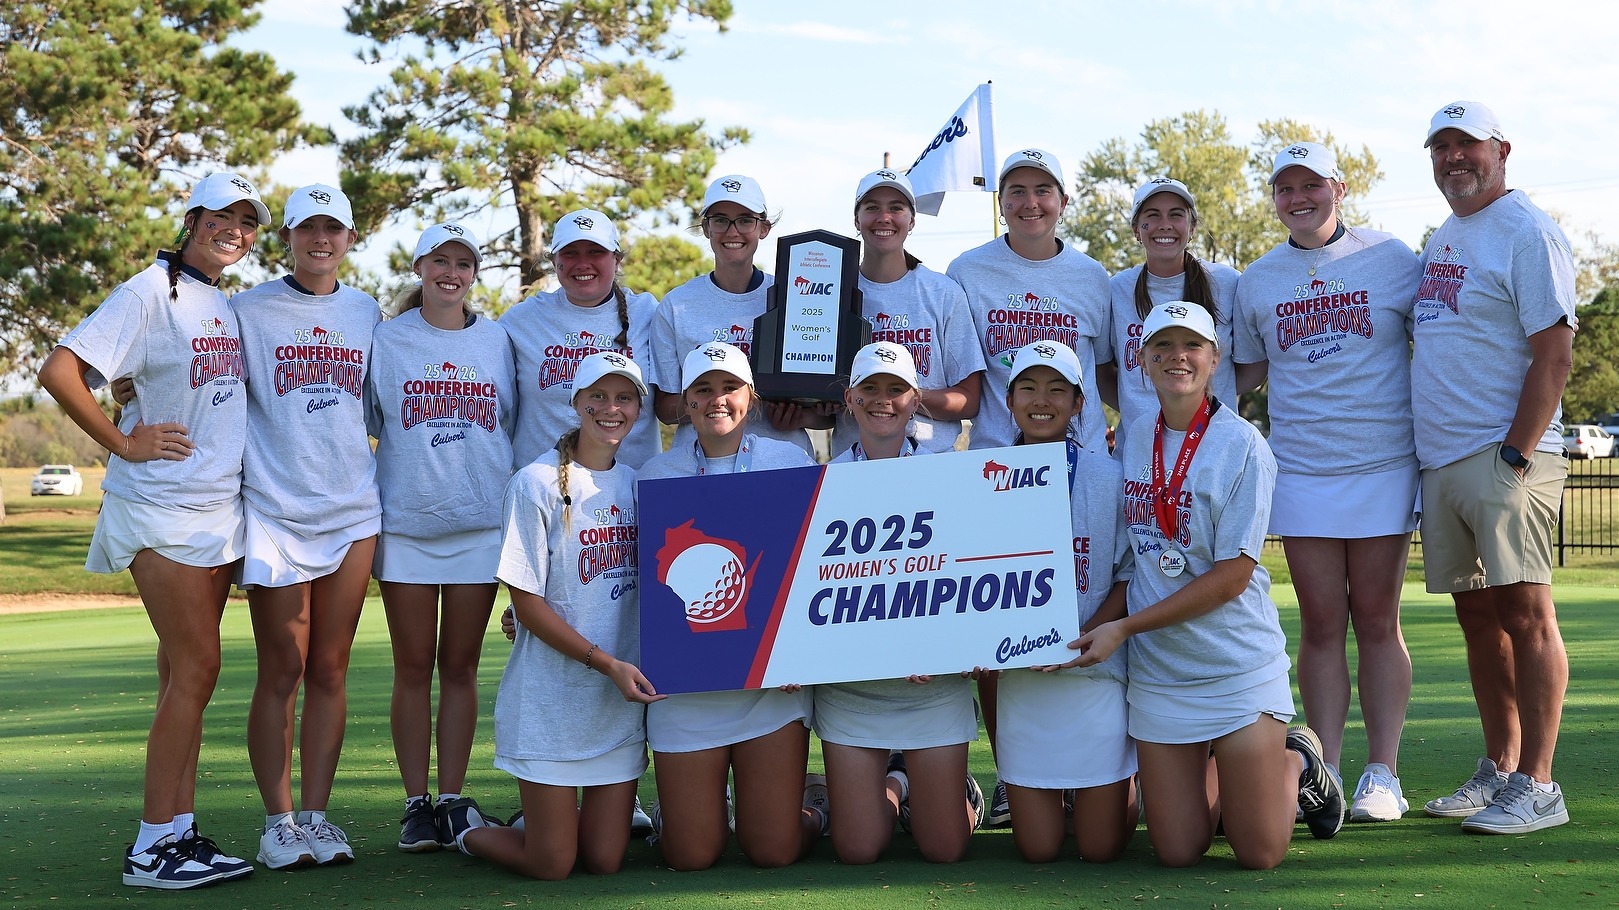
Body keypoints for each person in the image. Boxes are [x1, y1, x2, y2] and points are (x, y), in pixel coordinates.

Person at [38, 172, 270, 889]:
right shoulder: (148, 288)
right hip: (158, 507)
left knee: (181, 675)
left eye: (246, 220)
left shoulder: (220, 301)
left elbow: (163, 378)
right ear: (192, 217)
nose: (233, 228)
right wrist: (123, 441)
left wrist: (128, 385)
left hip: (212, 514)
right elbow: (60, 369)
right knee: (199, 668)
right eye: (221, 216)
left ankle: (179, 832)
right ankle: (148, 849)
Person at [1074, 301, 1344, 869]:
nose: (1178, 357)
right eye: (1163, 347)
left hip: (1234, 667)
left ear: (1215, 359)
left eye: (1192, 346)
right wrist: (1081, 629)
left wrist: (1123, 627)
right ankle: (1237, 770)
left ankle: (1297, 760)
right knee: (1177, 850)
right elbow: (1135, 561)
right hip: (1161, 675)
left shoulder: (1243, 444)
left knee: (1259, 853)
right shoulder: (1130, 439)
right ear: (1142, 361)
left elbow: (1230, 578)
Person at [1232, 142, 1423, 823]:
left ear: (1337, 187)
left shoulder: (1392, 257)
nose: (1297, 198)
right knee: (1318, 623)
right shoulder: (1255, 280)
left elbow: (1441, 340)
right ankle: (1327, 774)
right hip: (1302, 469)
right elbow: (1241, 375)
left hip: (1381, 462)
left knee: (1375, 619)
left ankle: (1383, 773)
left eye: (1309, 184)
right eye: (1284, 189)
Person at [1412, 101, 1576, 835]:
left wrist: (1514, 452)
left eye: (1465, 144)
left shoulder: (1526, 231)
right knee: (1477, 619)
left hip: (1504, 455)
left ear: (1500, 150)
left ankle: (1539, 786)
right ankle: (1500, 769)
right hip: (1445, 458)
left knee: (1524, 614)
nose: (1453, 157)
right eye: (1440, 145)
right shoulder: (1447, 232)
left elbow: (1555, 354)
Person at [447, 352, 663, 878]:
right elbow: (527, 604)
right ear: (576, 402)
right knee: (553, 863)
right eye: (598, 396)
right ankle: (467, 831)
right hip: (552, 702)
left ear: (638, 408)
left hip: (616, 707)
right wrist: (607, 663)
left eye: (625, 397)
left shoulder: (641, 485)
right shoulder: (535, 483)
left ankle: (554, 822)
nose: (611, 408)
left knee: (606, 860)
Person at [947, 147, 1111, 827]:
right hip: (998, 471)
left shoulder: (1094, 276)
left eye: (1043, 190)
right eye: (1016, 190)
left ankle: (1095, 767)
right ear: (1001, 201)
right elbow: (960, 373)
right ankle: (1013, 775)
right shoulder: (966, 271)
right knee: (997, 637)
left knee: (1087, 613)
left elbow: (1110, 377)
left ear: (1063, 202)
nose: (1029, 202)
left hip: (1082, 470)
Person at [230, 184, 382, 870]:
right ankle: (279, 822)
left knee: (329, 668)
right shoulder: (247, 310)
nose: (321, 240)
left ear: (350, 238)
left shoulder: (367, 311)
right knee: (282, 669)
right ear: (287, 236)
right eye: (307, 229)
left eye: (334, 229)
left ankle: (318, 818)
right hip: (276, 511)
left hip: (352, 509)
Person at [635, 342, 825, 870]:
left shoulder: (789, 460)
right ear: (685, 403)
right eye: (703, 389)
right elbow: (634, 578)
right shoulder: (655, 475)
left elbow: (810, 569)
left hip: (769, 686)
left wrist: (801, 656)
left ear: (752, 398)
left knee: (774, 850)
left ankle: (815, 811)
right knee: (690, 855)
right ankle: (695, 810)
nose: (717, 399)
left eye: (729, 388)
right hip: (685, 689)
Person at [368, 223, 515, 851]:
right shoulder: (387, 339)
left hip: (479, 525)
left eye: (463, 263)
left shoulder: (498, 339)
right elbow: (372, 420)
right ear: (420, 267)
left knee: (460, 666)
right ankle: (415, 806)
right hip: (406, 524)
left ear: (475, 274)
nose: (450, 273)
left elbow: (508, 418)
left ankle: (452, 798)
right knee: (411, 668)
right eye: (439, 262)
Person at [816, 341, 984, 865]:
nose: (882, 400)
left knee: (945, 848)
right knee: (859, 849)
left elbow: (973, 584)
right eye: (870, 389)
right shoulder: (817, 484)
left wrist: (954, 647)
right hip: (853, 692)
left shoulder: (953, 476)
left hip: (932, 690)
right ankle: (896, 785)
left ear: (916, 400)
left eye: (896, 390)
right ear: (849, 399)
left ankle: (941, 792)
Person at [996, 340, 1136, 864]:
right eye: (1028, 386)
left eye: (1058, 389)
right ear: (1009, 399)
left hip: (1094, 675)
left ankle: (1137, 779)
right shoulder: (979, 478)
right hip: (1023, 683)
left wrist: (1087, 638)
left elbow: (1127, 573)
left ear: (1079, 403)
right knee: (1039, 849)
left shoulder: (1109, 477)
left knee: (1100, 849)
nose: (1042, 399)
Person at [651, 174, 827, 457]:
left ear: (764, 228)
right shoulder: (676, 305)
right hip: (700, 463)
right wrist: (717, 402)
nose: (732, 231)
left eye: (745, 219)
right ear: (706, 228)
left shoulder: (796, 299)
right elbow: (665, 408)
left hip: (782, 459)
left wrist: (800, 415)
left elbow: (828, 408)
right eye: (720, 220)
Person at [829, 170, 984, 455]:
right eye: (872, 207)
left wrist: (901, 398)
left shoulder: (943, 294)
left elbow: (969, 399)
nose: (884, 217)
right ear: (856, 219)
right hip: (853, 465)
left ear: (912, 220)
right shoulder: (833, 293)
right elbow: (821, 396)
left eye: (896, 208)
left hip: (931, 463)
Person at [1099, 177, 1256, 453]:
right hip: (1141, 454)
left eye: (1176, 215)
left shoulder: (1228, 283)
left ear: (1192, 227)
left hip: (1214, 449)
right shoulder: (1116, 290)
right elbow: (1103, 372)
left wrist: (1205, 388)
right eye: (1152, 215)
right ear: (1137, 229)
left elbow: (1252, 367)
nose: (1165, 225)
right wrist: (1140, 407)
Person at [503, 209, 660, 470]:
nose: (583, 263)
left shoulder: (649, 315)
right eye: (570, 253)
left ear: (617, 260)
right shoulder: (521, 321)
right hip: (545, 493)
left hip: (630, 492)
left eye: (595, 252)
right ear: (554, 261)